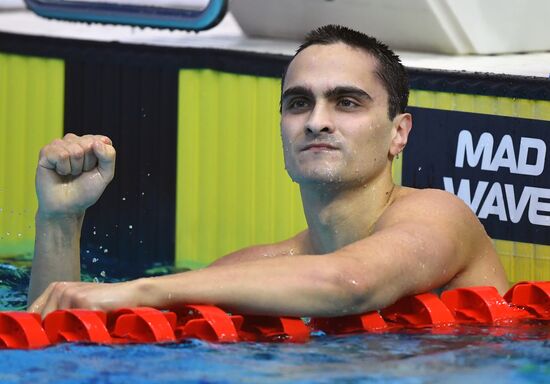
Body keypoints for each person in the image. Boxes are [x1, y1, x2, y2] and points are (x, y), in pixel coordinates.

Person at [27, 25, 508, 317]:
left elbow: (351, 284)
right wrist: (60, 221)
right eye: (299, 103)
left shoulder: (439, 217)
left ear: (399, 133)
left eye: (346, 102)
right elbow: (65, 335)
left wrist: (142, 290)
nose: (317, 121)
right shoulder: (253, 270)